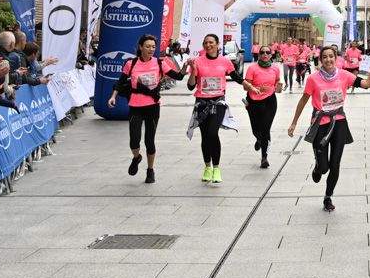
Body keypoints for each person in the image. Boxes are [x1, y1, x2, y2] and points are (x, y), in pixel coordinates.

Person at [287, 44, 370, 211]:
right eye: (325, 57)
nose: (328, 59)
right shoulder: (313, 79)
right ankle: (318, 168)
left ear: (336, 58)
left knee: (335, 164)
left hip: (339, 122)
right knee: (324, 167)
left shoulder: (344, 75)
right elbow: (303, 100)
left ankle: (328, 197)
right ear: (320, 60)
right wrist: (294, 122)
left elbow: (367, 84)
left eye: (331, 56)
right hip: (320, 123)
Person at [109, 34, 183, 184]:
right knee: (134, 141)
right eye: (148, 46)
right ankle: (136, 157)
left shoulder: (160, 63)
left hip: (152, 107)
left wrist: (187, 67)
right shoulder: (131, 63)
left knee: (150, 140)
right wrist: (113, 96)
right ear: (141, 47)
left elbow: (178, 76)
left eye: (153, 47)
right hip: (135, 106)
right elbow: (120, 82)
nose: (151, 49)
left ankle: (150, 170)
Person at [187, 33, 241, 184]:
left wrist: (249, 85)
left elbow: (236, 77)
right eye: (205, 43)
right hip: (202, 103)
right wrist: (193, 70)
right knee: (205, 136)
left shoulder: (225, 61)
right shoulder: (197, 61)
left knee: (212, 133)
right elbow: (191, 86)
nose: (208, 45)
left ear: (217, 44)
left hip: (218, 103)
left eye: (211, 42)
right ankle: (207, 167)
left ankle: (216, 168)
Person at [242, 45, 281, 169]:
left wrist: (279, 87)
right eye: (262, 52)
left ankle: (264, 157)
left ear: (271, 55)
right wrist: (256, 88)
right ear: (259, 55)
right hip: (253, 102)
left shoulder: (275, 69)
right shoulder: (252, 68)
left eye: (267, 52)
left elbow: (277, 84)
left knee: (265, 129)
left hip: (270, 102)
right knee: (255, 129)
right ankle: (259, 139)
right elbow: (245, 86)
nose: (265, 54)